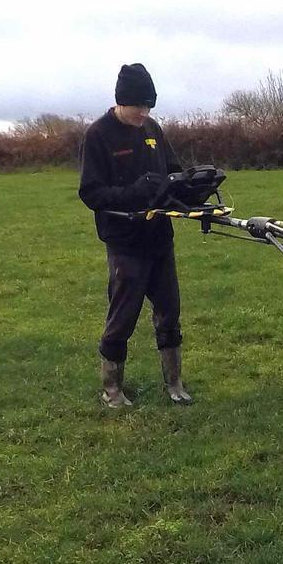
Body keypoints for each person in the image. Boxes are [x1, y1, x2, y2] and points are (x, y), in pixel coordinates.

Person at [77, 63, 193, 407]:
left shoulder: (152, 129)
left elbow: (172, 173)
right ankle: (112, 390)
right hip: (125, 243)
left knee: (169, 310)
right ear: (120, 101)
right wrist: (135, 191)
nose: (144, 113)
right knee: (123, 315)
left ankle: (174, 383)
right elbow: (92, 193)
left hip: (160, 238)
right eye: (138, 106)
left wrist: (190, 187)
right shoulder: (97, 135)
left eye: (149, 106)